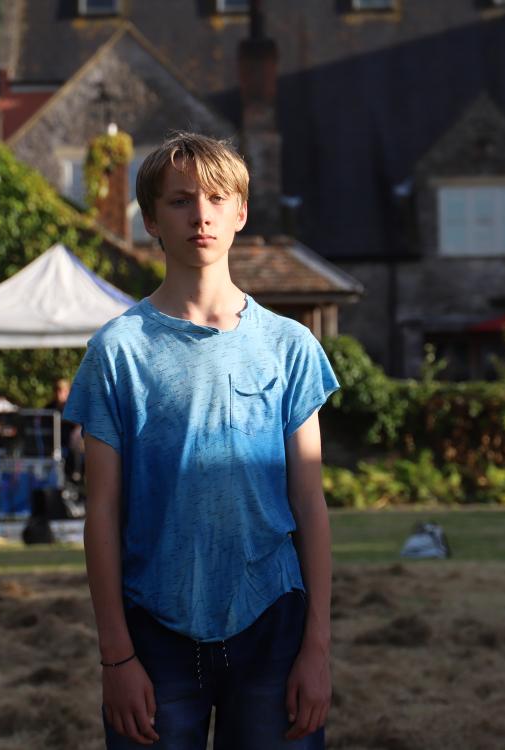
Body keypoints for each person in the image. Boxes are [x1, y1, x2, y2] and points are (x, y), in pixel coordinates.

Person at [64, 132, 338, 749]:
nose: (202, 214)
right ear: (151, 219)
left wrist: (317, 645)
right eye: (181, 200)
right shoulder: (119, 350)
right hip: (153, 628)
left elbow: (310, 504)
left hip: (274, 622)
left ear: (241, 212)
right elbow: (101, 511)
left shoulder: (289, 346)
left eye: (218, 198)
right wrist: (116, 658)